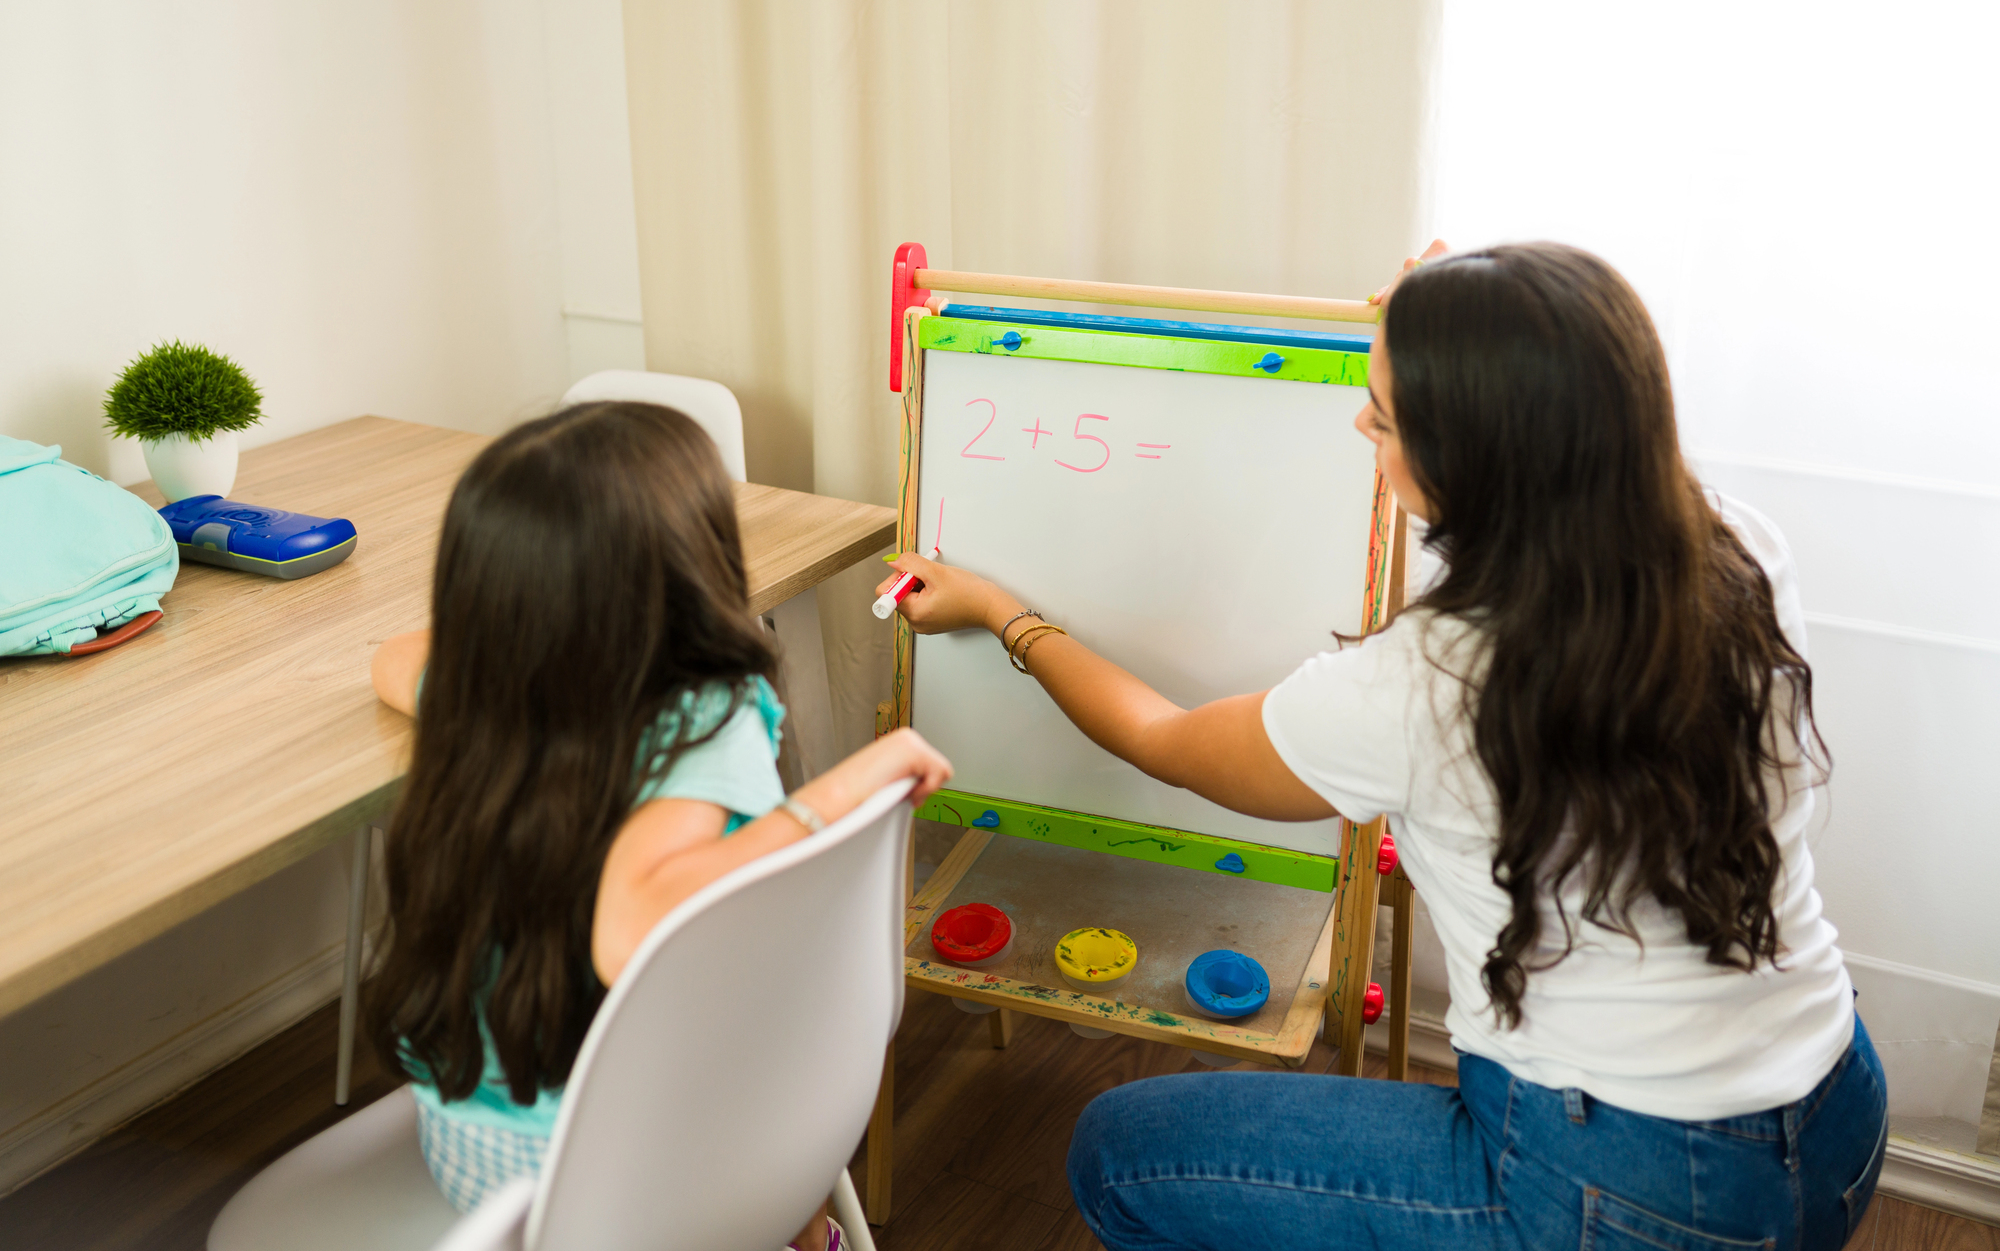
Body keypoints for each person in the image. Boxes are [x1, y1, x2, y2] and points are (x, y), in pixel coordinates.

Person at [878, 242, 1885, 1250]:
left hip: (1621, 1189)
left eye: (1386, 413)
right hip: (1832, 1116)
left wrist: (1004, 614)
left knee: (1120, 1152)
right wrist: (1449, 306)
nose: (1359, 419)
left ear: (1470, 463)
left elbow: (1161, 738)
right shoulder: (1736, 547)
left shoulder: (1424, 685)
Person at [365, 402, 952, 1248]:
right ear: (692, 564)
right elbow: (633, 927)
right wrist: (836, 792)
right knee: (760, 1103)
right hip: (613, 1187)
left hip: (477, 1159)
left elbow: (391, 658)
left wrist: (487, 644)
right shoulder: (705, 718)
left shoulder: (487, 698)